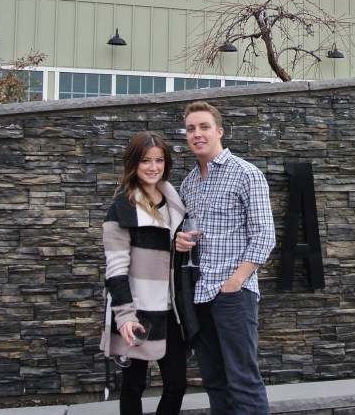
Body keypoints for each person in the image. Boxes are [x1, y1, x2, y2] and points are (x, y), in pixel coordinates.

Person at [174, 100, 276, 414]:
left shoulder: (246, 174)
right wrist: (180, 241)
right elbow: (187, 235)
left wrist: (236, 281)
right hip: (199, 296)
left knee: (243, 381)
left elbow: (264, 235)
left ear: (219, 131)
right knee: (215, 382)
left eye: (204, 127)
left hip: (233, 294)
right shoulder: (188, 185)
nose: (197, 134)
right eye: (191, 128)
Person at [101, 131, 188, 415]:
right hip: (136, 310)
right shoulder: (122, 209)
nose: (153, 167)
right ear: (134, 164)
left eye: (159, 160)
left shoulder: (176, 203)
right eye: (146, 161)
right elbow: (115, 268)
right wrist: (124, 315)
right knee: (133, 386)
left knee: (177, 383)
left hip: (170, 309)